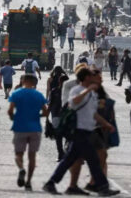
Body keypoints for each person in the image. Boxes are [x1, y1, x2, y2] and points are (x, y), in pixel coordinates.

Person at [43, 67, 119, 196]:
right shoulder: (77, 90)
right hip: (78, 131)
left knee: (70, 160)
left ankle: (52, 183)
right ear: (86, 78)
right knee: (93, 160)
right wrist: (88, 90)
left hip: (87, 131)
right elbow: (73, 103)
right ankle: (102, 187)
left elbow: (93, 113)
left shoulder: (92, 94)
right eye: (90, 77)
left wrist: (106, 124)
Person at [8, 74, 48, 192]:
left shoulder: (17, 93)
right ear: (34, 83)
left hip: (20, 127)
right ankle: (29, 182)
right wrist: (37, 115)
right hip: (35, 128)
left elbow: (10, 111)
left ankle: (21, 168)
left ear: (24, 81)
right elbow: (46, 112)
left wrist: (13, 117)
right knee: (32, 156)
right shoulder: (39, 95)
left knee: (18, 154)